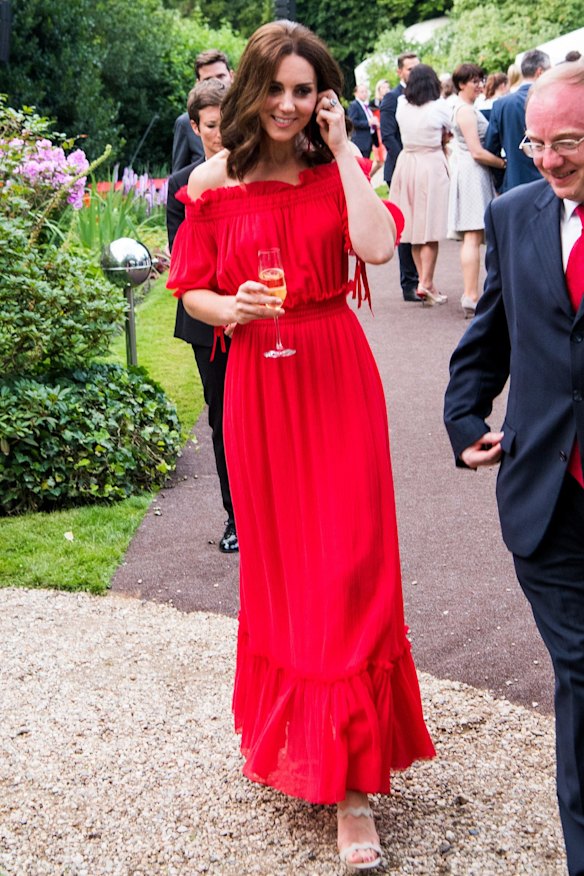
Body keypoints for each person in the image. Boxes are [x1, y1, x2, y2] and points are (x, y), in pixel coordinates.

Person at [167, 20, 435, 871]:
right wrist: (232, 308)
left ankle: (353, 786)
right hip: (258, 383)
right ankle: (305, 749)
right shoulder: (214, 183)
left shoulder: (337, 170)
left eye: (304, 89)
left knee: (351, 562)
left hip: (334, 373)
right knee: (286, 566)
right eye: (276, 88)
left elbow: (378, 246)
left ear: (322, 93)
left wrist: (347, 146)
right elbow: (191, 289)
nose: (288, 104)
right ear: (251, 88)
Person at [444, 60, 584, 876]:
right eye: (537, 141)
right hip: (547, 498)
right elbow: (490, 336)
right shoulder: (511, 213)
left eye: (567, 143)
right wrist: (464, 419)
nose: (548, 159)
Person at [167, 79, 238, 554]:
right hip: (206, 321)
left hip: (260, 316)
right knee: (224, 420)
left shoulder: (255, 172)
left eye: (228, 122)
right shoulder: (182, 185)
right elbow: (181, 259)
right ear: (195, 128)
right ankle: (237, 516)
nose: (222, 133)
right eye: (212, 126)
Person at [447, 63, 506, 318]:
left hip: (470, 171)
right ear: (462, 84)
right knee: (472, 235)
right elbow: (477, 151)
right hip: (473, 173)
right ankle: (471, 294)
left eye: (481, 80)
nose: (480, 84)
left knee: (474, 235)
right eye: (474, 81)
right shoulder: (465, 111)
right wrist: (504, 162)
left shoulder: (464, 108)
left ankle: (472, 293)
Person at [389, 63, 451, 305]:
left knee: (413, 229)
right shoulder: (439, 107)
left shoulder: (402, 106)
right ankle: (425, 282)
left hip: (407, 163)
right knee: (430, 229)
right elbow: (450, 129)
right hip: (431, 163)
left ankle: (426, 283)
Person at [380, 52, 420, 302]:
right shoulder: (392, 99)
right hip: (399, 169)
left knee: (420, 224)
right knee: (404, 227)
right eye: (409, 69)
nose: (414, 72)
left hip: (421, 169)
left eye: (417, 67)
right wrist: (407, 161)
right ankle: (409, 283)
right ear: (400, 72)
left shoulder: (422, 96)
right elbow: (388, 136)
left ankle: (423, 279)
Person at [485, 49, 551, 192]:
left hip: (515, 184)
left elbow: (490, 148)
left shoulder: (501, 104)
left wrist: (503, 182)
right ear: (540, 72)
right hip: (550, 181)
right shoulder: (551, 99)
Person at [171, 49, 234, 173]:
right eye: (208, 79)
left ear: (231, 76)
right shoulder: (185, 123)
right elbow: (178, 175)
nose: (216, 82)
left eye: (221, 76)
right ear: (198, 83)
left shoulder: (249, 116)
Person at [347, 82, 380, 158]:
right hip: (360, 140)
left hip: (369, 139)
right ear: (355, 93)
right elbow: (352, 122)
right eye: (362, 92)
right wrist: (368, 123)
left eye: (366, 91)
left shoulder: (366, 106)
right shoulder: (354, 105)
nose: (365, 94)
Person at [370, 78, 390, 176]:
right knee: (379, 161)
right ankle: (368, 177)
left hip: (388, 130)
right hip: (377, 134)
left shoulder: (391, 100)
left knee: (389, 158)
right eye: (383, 87)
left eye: (387, 87)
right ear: (379, 89)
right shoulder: (373, 103)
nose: (386, 89)